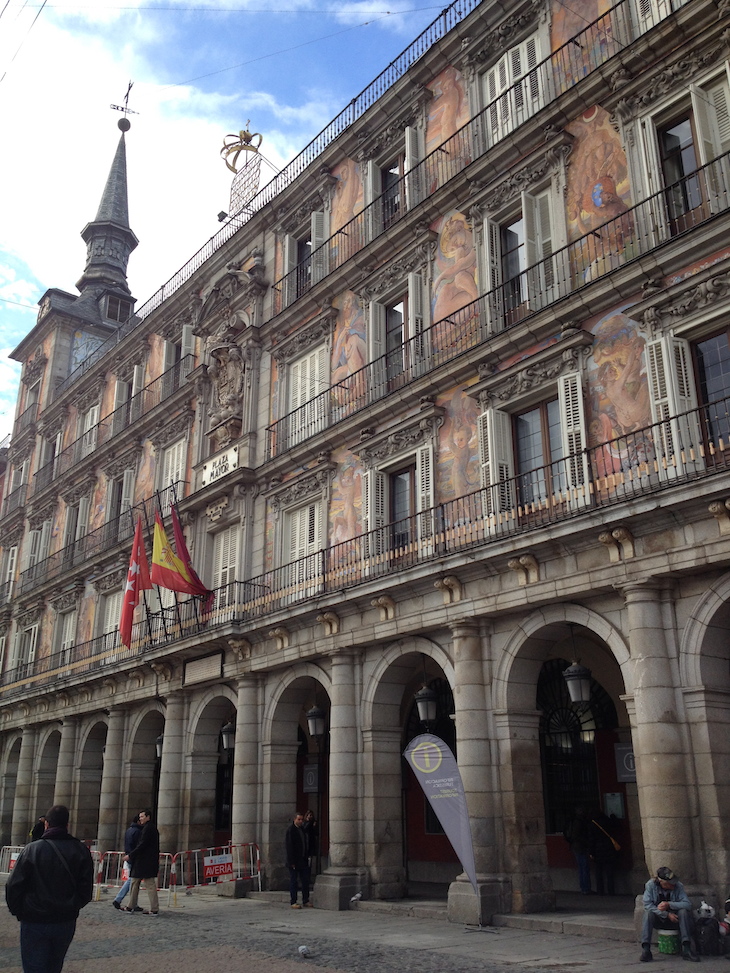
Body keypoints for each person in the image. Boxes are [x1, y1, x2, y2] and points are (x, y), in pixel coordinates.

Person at [5, 804, 94, 973]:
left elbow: (13, 886)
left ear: (46, 824)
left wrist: (20, 912)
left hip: (35, 920)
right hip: (65, 920)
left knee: (34, 967)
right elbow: (86, 890)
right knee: (54, 967)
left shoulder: (32, 849)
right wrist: (72, 906)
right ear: (67, 825)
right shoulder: (80, 850)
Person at [640, 865, 699, 963]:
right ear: (662, 882)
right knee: (648, 913)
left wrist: (669, 905)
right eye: (670, 883)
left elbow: (687, 904)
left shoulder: (678, 886)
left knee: (683, 911)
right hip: (660, 918)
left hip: (675, 919)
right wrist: (666, 914)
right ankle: (646, 949)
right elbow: (647, 904)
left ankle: (686, 948)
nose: (673, 885)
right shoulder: (650, 885)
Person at [122, 808, 159, 916]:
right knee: (134, 882)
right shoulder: (148, 828)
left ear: (148, 817)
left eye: (142, 816)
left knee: (149, 885)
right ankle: (130, 906)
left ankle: (154, 908)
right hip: (144, 861)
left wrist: (130, 855)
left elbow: (142, 845)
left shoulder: (148, 829)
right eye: (140, 817)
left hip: (145, 861)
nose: (140, 819)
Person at [113, 814, 142, 910]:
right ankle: (118, 899)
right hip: (134, 857)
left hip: (129, 856)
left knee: (134, 881)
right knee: (132, 880)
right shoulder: (137, 831)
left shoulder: (129, 830)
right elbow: (138, 846)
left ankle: (133, 903)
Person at [563, 805, 593, 894]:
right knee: (584, 867)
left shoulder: (576, 821)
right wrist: (586, 842)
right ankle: (585, 888)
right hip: (580, 847)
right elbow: (576, 835)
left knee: (582, 867)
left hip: (576, 846)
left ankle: (584, 887)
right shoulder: (579, 822)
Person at [285, 811, 311, 908]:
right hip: (294, 861)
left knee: (305, 881)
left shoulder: (303, 830)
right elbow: (289, 847)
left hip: (303, 860)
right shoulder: (291, 830)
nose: (300, 821)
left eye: (301, 819)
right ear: (294, 819)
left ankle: (305, 900)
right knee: (294, 881)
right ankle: (293, 901)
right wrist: (291, 862)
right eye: (298, 819)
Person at [589, 809, 618, 896]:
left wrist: (591, 852)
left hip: (598, 850)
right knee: (609, 872)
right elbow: (616, 826)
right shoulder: (608, 821)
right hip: (609, 848)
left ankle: (600, 891)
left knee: (599, 872)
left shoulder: (593, 824)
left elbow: (591, 839)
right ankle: (611, 891)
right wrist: (613, 817)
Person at [303, 809, 319, 874]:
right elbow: (305, 830)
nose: (311, 817)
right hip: (306, 844)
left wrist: (314, 826)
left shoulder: (313, 823)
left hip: (311, 843)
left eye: (311, 815)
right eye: (309, 815)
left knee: (310, 862)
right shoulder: (305, 823)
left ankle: (308, 875)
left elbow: (316, 833)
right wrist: (309, 822)